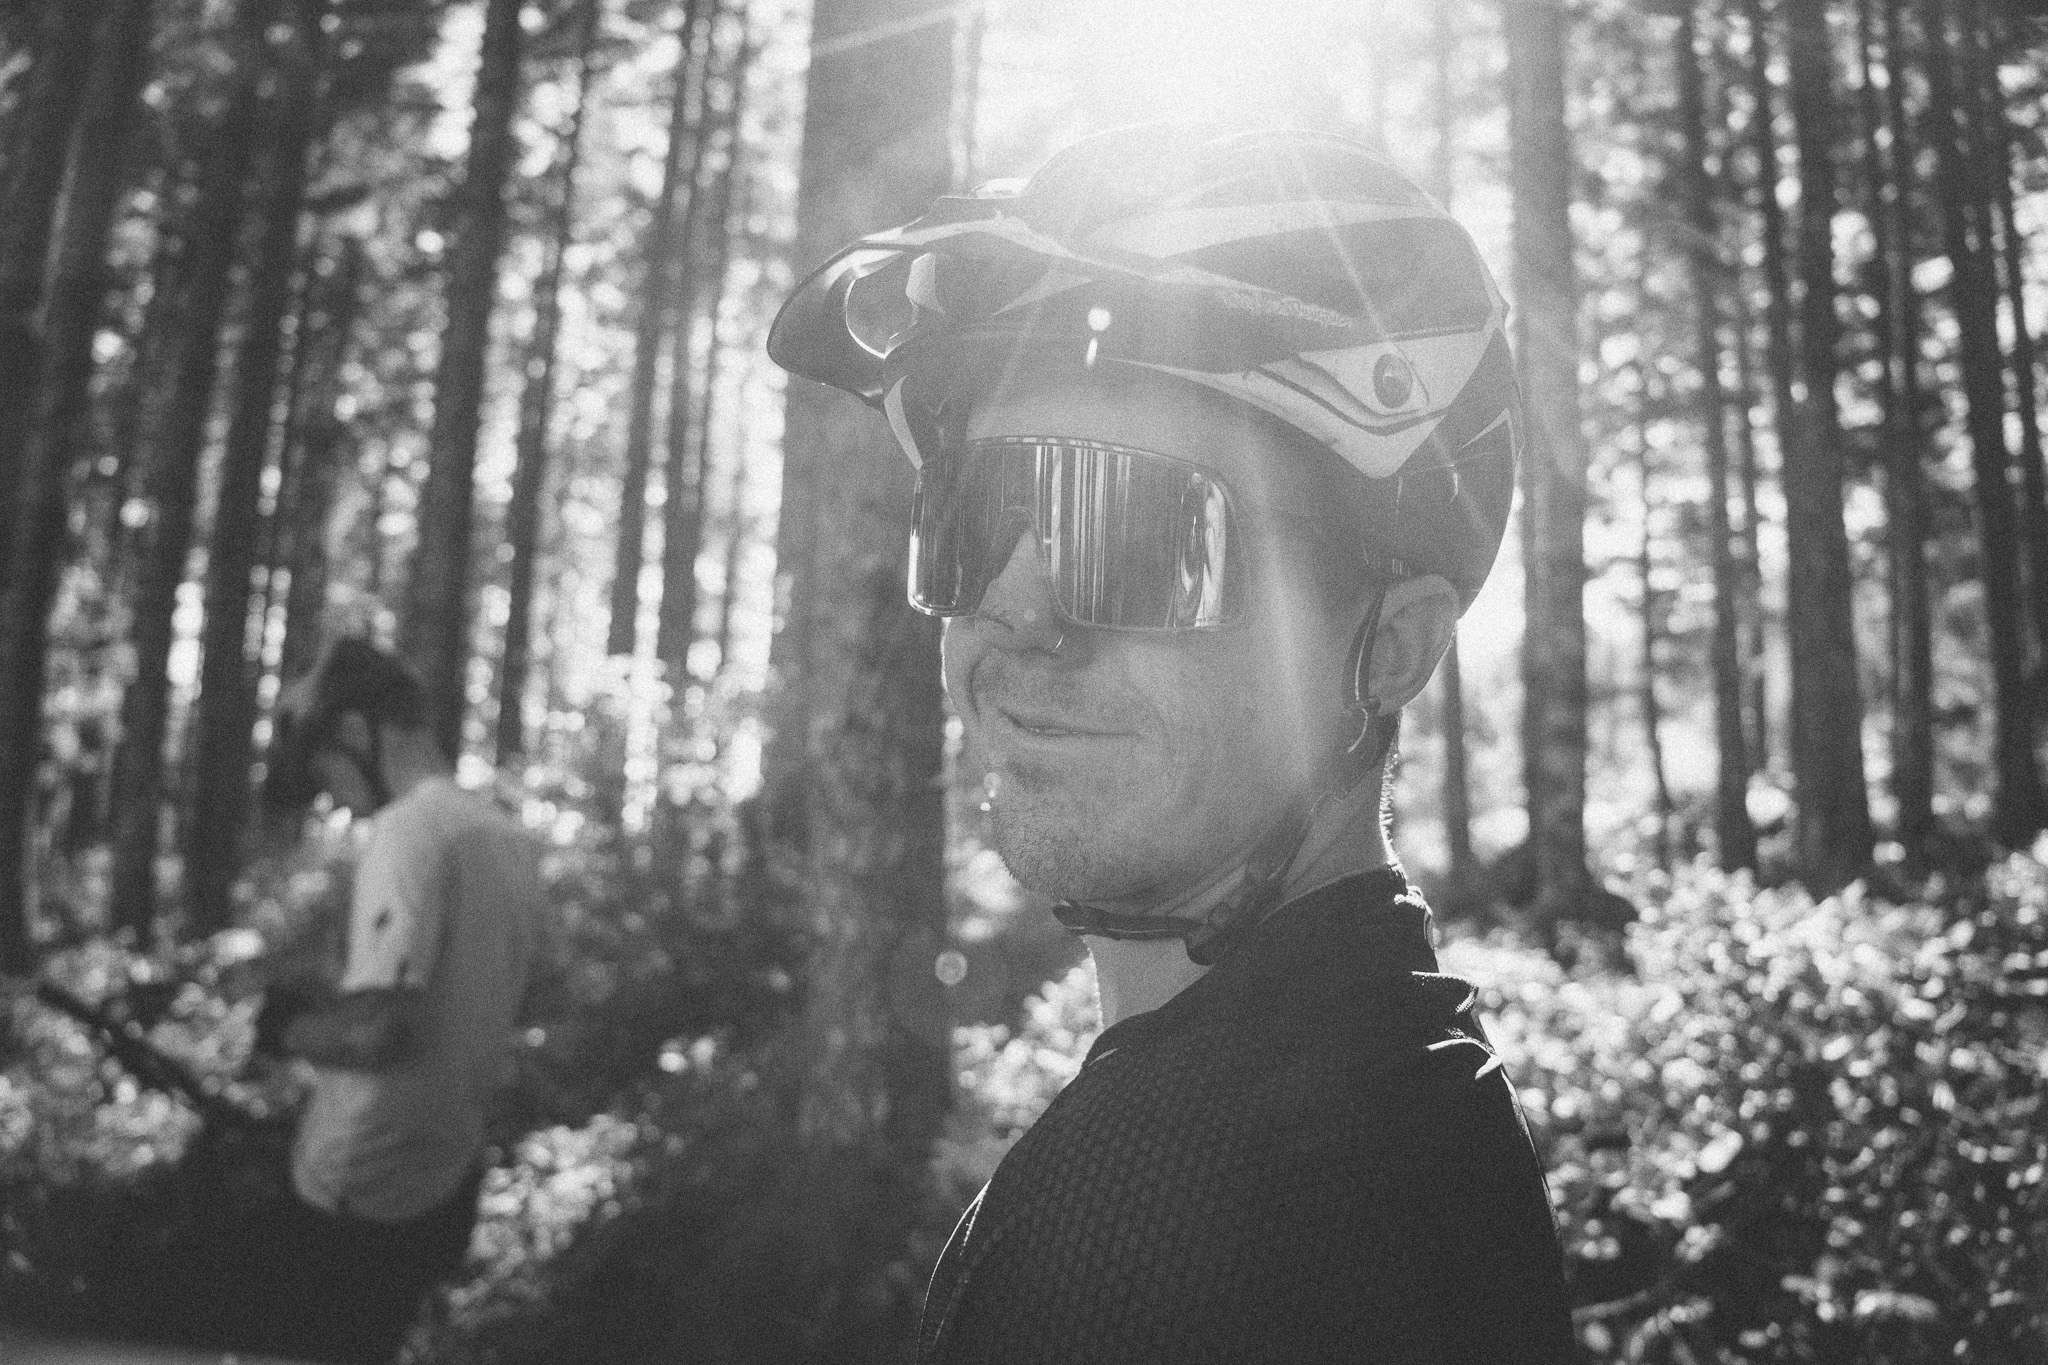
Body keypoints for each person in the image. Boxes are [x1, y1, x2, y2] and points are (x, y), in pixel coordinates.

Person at [769, 124, 1578, 1362]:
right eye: (972, 518)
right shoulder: (1402, 1076)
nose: (1017, 612)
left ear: (1391, 648)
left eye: (1135, 533)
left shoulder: (1162, 1208)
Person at [189, 636, 546, 1363]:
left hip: (361, 1183)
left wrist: (286, 1029)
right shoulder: (500, 836)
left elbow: (380, 1035)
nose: (332, 796)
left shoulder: (409, 830)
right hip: (443, 1175)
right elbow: (457, 1003)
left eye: (323, 767)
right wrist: (326, 990)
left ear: (355, 732)